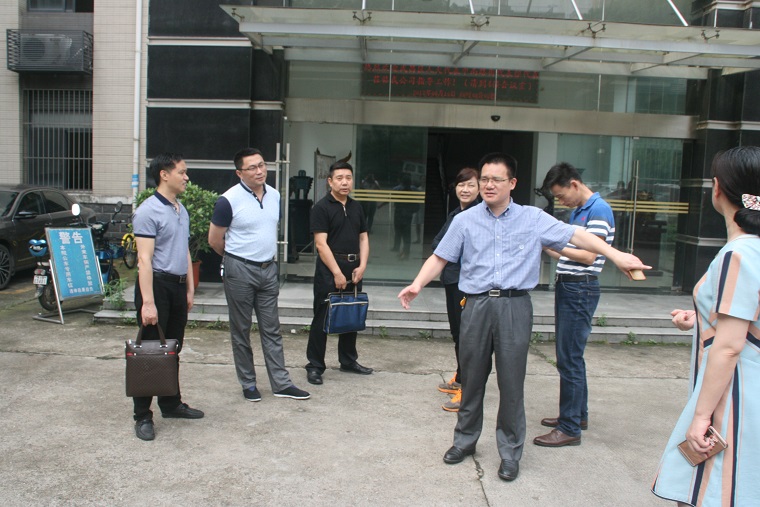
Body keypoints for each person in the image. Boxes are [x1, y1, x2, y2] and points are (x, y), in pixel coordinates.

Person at [398, 152, 648, 482]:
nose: (488, 185)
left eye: (496, 179)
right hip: (475, 305)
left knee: (512, 383)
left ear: (512, 183)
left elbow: (578, 236)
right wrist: (417, 283)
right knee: (471, 378)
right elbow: (440, 257)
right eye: (484, 179)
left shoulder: (532, 218)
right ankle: (464, 441)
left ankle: (510, 451)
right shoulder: (465, 221)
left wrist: (616, 256)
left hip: (515, 307)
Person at [652, 146, 760, 506]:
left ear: (717, 188)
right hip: (747, 387)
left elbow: (729, 346)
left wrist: (701, 416)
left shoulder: (738, 253)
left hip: (734, 391)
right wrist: (701, 318)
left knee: (710, 489)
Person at [208, 148, 310, 402]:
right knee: (241, 330)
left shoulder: (275, 195)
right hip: (239, 270)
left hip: (268, 269)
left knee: (272, 329)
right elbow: (214, 240)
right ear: (239, 173)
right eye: (252, 167)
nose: (259, 171)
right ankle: (249, 383)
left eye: (262, 165)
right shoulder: (228, 200)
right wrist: (235, 259)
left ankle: (281, 383)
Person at [533, 162, 615, 447]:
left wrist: (553, 246)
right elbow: (572, 252)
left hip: (580, 288)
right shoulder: (580, 210)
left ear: (575, 184)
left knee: (569, 358)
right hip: (570, 286)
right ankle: (577, 416)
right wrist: (550, 245)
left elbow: (589, 256)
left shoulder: (598, 210)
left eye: (561, 195)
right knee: (571, 356)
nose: (561, 201)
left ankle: (569, 427)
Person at [131, 153, 204, 441]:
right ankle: (142, 415)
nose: (186, 177)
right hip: (156, 287)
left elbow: (183, 249)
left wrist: (189, 288)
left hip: (177, 287)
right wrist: (148, 303)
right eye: (182, 172)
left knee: (172, 348)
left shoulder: (180, 209)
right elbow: (144, 260)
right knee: (150, 353)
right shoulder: (148, 211)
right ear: (164, 174)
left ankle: (171, 403)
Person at [305, 161, 371, 385]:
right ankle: (315, 366)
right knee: (322, 317)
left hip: (354, 267)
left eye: (348, 178)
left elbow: (363, 238)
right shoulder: (321, 208)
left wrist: (362, 265)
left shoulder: (356, 207)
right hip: (329, 269)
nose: (345, 182)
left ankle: (348, 360)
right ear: (330, 181)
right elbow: (321, 244)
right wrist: (336, 272)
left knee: (351, 314)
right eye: (340, 178)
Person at [431, 167, 480, 412]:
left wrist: (450, 250)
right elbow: (437, 243)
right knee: (457, 332)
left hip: (467, 284)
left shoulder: (479, 215)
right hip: (452, 280)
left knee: (467, 336)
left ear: (480, 188)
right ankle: (460, 377)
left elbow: (454, 247)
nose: (465, 189)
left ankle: (467, 391)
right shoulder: (455, 214)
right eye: (461, 184)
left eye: (471, 185)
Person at [391, 174, 417, 260]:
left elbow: (395, 202)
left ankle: (405, 253)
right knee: (406, 235)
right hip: (407, 216)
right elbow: (416, 206)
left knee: (401, 234)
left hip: (400, 215)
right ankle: (405, 252)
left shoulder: (399, 191)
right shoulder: (413, 191)